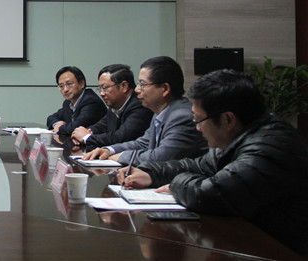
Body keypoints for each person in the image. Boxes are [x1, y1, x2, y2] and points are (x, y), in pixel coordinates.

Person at [118, 69, 308, 257]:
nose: (197, 128)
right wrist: (151, 173)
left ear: (228, 119)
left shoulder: (269, 146)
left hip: (280, 252)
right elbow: (198, 166)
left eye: (199, 120)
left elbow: (213, 194)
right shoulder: (237, 136)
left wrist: (176, 184)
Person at [84, 56, 207, 164]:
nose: (137, 89)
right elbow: (143, 143)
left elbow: (161, 157)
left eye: (143, 84)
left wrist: (120, 156)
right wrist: (109, 150)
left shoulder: (181, 116)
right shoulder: (161, 111)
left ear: (164, 89)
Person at [71, 64, 152, 150]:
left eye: (105, 88)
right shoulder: (115, 105)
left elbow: (120, 137)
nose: (101, 93)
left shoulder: (140, 106)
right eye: (100, 89)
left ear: (124, 86)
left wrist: (86, 137)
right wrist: (82, 133)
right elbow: (101, 126)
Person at [46, 66, 106, 135]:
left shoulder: (91, 101)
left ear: (82, 84)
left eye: (69, 84)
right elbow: (51, 118)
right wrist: (57, 123)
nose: (65, 89)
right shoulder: (68, 102)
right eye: (61, 86)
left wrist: (59, 128)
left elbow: (74, 128)